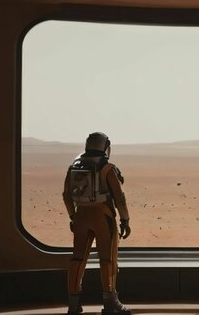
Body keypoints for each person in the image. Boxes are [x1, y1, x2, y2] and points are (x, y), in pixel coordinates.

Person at [63, 132, 131, 315]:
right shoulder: (107, 169)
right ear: (106, 146)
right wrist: (125, 219)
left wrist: (73, 217)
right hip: (103, 217)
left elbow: (66, 195)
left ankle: (73, 304)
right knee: (108, 260)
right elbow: (120, 198)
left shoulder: (73, 167)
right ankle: (111, 303)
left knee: (77, 259)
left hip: (81, 217)